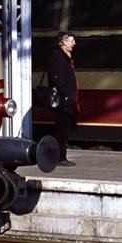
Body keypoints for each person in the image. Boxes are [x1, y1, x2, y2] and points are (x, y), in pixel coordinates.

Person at [47, 31, 79, 166]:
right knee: (62, 128)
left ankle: (60, 156)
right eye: (72, 41)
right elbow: (58, 78)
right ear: (64, 42)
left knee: (66, 127)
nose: (74, 43)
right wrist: (65, 94)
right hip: (63, 100)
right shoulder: (57, 56)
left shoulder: (64, 56)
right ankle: (60, 157)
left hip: (67, 99)